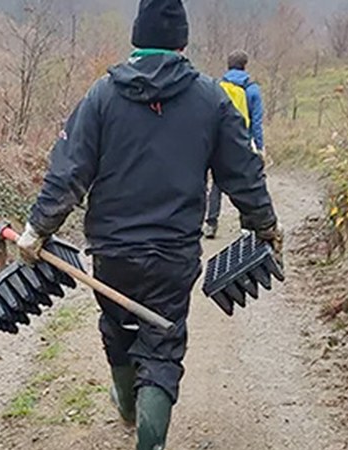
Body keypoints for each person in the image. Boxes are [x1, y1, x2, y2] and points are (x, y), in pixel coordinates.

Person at [16, 1, 282, 448]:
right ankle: (150, 438)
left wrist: (38, 228)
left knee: (117, 326)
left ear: (137, 38)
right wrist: (265, 225)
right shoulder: (210, 99)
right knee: (163, 344)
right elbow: (243, 174)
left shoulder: (102, 96)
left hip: (112, 252)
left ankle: (126, 404)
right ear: (182, 42)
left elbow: (69, 172)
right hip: (173, 255)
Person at [203, 50, 266, 240]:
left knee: (217, 183)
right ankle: (245, 227)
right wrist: (259, 146)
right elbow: (256, 121)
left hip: (217, 140)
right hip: (242, 140)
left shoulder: (216, 87)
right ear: (245, 65)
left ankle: (211, 223)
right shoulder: (252, 90)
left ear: (228, 65)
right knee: (245, 181)